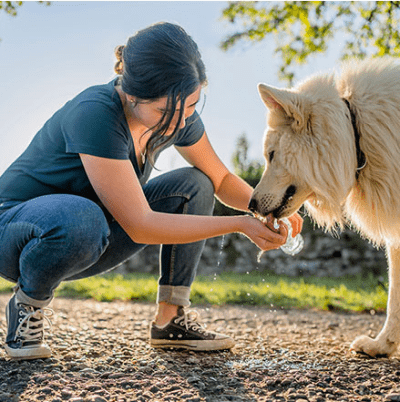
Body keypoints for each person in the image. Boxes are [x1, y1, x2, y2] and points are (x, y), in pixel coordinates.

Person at [0, 22, 303, 360]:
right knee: (84, 219)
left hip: (92, 233)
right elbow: (140, 224)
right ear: (132, 95)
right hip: (17, 232)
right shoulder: (95, 113)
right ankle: (28, 306)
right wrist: (239, 224)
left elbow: (220, 181)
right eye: (165, 111)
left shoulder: (178, 115)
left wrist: (269, 208)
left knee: (195, 184)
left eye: (190, 106)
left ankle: (170, 321)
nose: (178, 123)